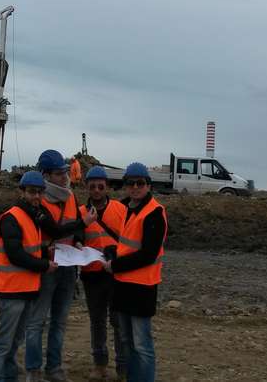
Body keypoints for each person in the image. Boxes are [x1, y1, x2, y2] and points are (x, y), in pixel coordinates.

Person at [25, 149, 95, 382]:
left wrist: (78, 240)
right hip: (47, 268)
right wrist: (82, 224)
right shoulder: (39, 200)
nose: (65, 176)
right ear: (45, 175)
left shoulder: (70, 196)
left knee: (60, 321)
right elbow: (54, 230)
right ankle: (33, 370)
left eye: (65, 172)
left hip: (68, 267)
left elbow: (75, 225)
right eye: (58, 173)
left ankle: (53, 369)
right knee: (37, 321)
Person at [0, 171, 58, 382]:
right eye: (32, 192)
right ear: (22, 192)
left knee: (15, 340)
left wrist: (44, 252)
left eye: (39, 192)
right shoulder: (12, 217)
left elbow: (28, 249)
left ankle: (9, 377)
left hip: (26, 289)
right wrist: (45, 265)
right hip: (11, 291)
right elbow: (15, 254)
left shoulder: (32, 216)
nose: (36, 196)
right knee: (4, 342)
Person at [102, 162, 167, 382]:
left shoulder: (154, 213)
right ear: (125, 185)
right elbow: (129, 245)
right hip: (123, 285)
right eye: (131, 183)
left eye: (140, 183)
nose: (135, 187)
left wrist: (115, 266)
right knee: (127, 341)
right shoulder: (128, 209)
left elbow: (148, 254)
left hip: (142, 288)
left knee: (141, 345)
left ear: (148, 185)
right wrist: (113, 252)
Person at [79, 166, 128, 381]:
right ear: (87, 188)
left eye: (100, 186)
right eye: (93, 187)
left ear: (107, 187)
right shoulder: (80, 212)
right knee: (97, 321)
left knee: (118, 322)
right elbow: (75, 237)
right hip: (92, 275)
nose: (97, 190)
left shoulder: (120, 209)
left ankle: (123, 368)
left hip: (116, 274)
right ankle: (99, 364)